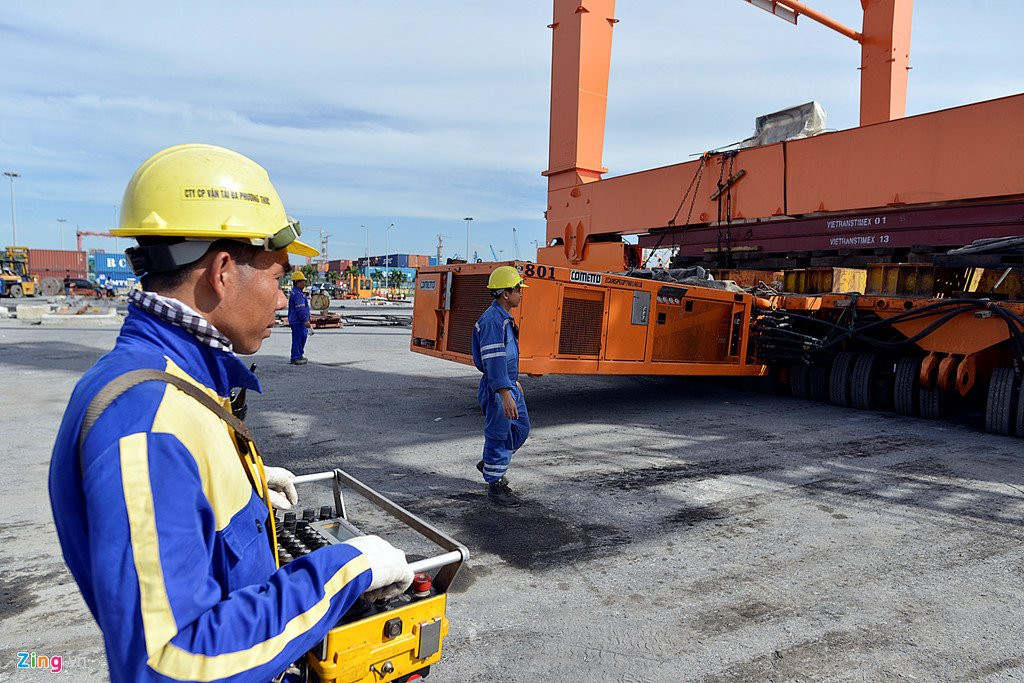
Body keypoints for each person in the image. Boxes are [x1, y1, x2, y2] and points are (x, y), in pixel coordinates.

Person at [49, 143, 413, 682]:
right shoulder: (149, 422)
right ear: (222, 271)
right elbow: (170, 663)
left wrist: (245, 482)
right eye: (278, 275)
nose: (283, 297)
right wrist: (344, 570)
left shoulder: (170, 380)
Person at [470, 265, 531, 507]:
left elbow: (504, 357)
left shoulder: (503, 318)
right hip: (498, 389)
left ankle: (490, 462)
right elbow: (493, 360)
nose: (521, 292)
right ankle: (495, 484)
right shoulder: (492, 322)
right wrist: (504, 392)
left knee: (521, 428)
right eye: (518, 289)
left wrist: (512, 381)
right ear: (505, 293)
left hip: (506, 384)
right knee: (499, 435)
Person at [288, 270, 313, 365]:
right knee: (298, 338)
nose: (304, 283)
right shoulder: (298, 295)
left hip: (298, 321)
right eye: (303, 281)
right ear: (297, 282)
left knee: (302, 337)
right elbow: (301, 309)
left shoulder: (297, 292)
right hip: (298, 321)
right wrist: (305, 320)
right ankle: (295, 357)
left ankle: (299, 355)